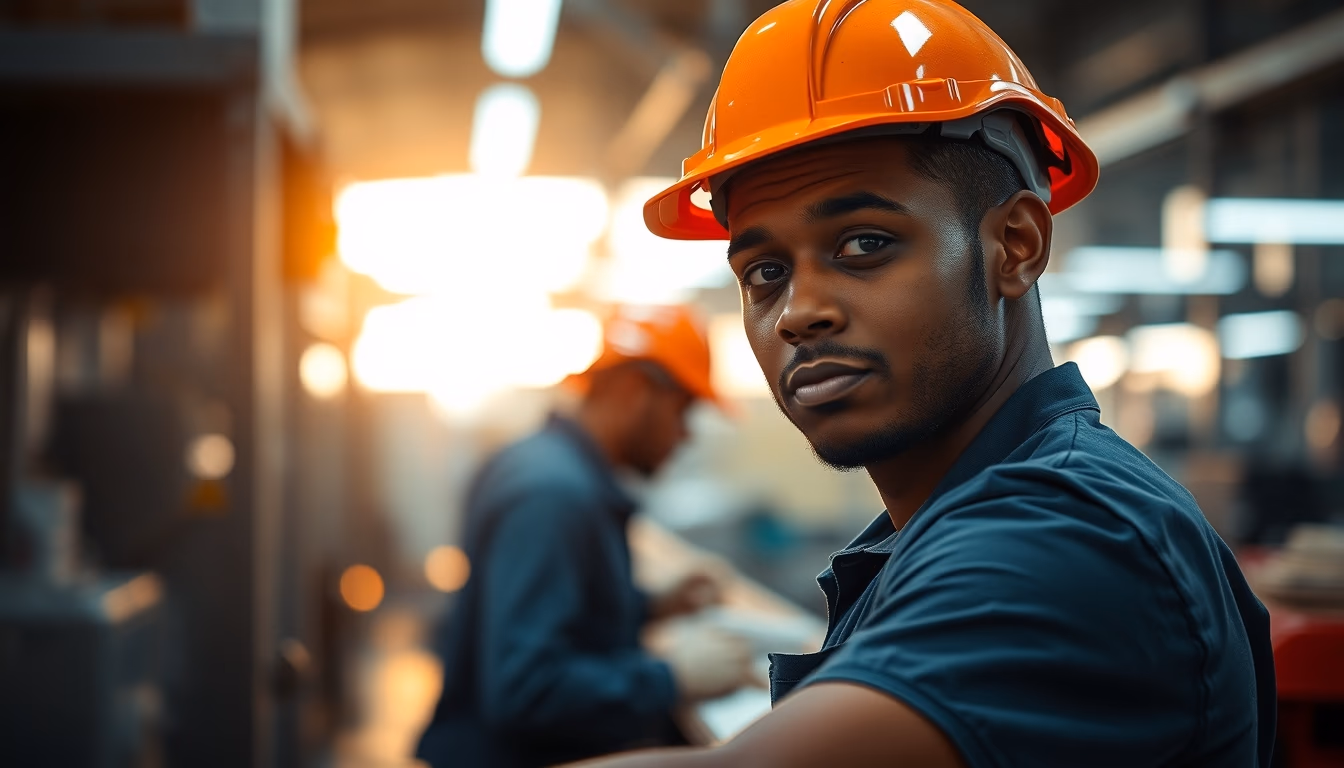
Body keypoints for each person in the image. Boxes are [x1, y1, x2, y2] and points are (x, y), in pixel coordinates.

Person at [575, 1, 1276, 766]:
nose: (798, 314)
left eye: (864, 243)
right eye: (765, 272)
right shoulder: (939, 528)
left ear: (1016, 245)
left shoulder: (1071, 538)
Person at [416, 305, 754, 768]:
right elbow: (525, 688)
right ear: (636, 392)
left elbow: (549, 614)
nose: (685, 435)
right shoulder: (553, 495)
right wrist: (671, 678)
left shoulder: (541, 465)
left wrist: (650, 606)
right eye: (684, 410)